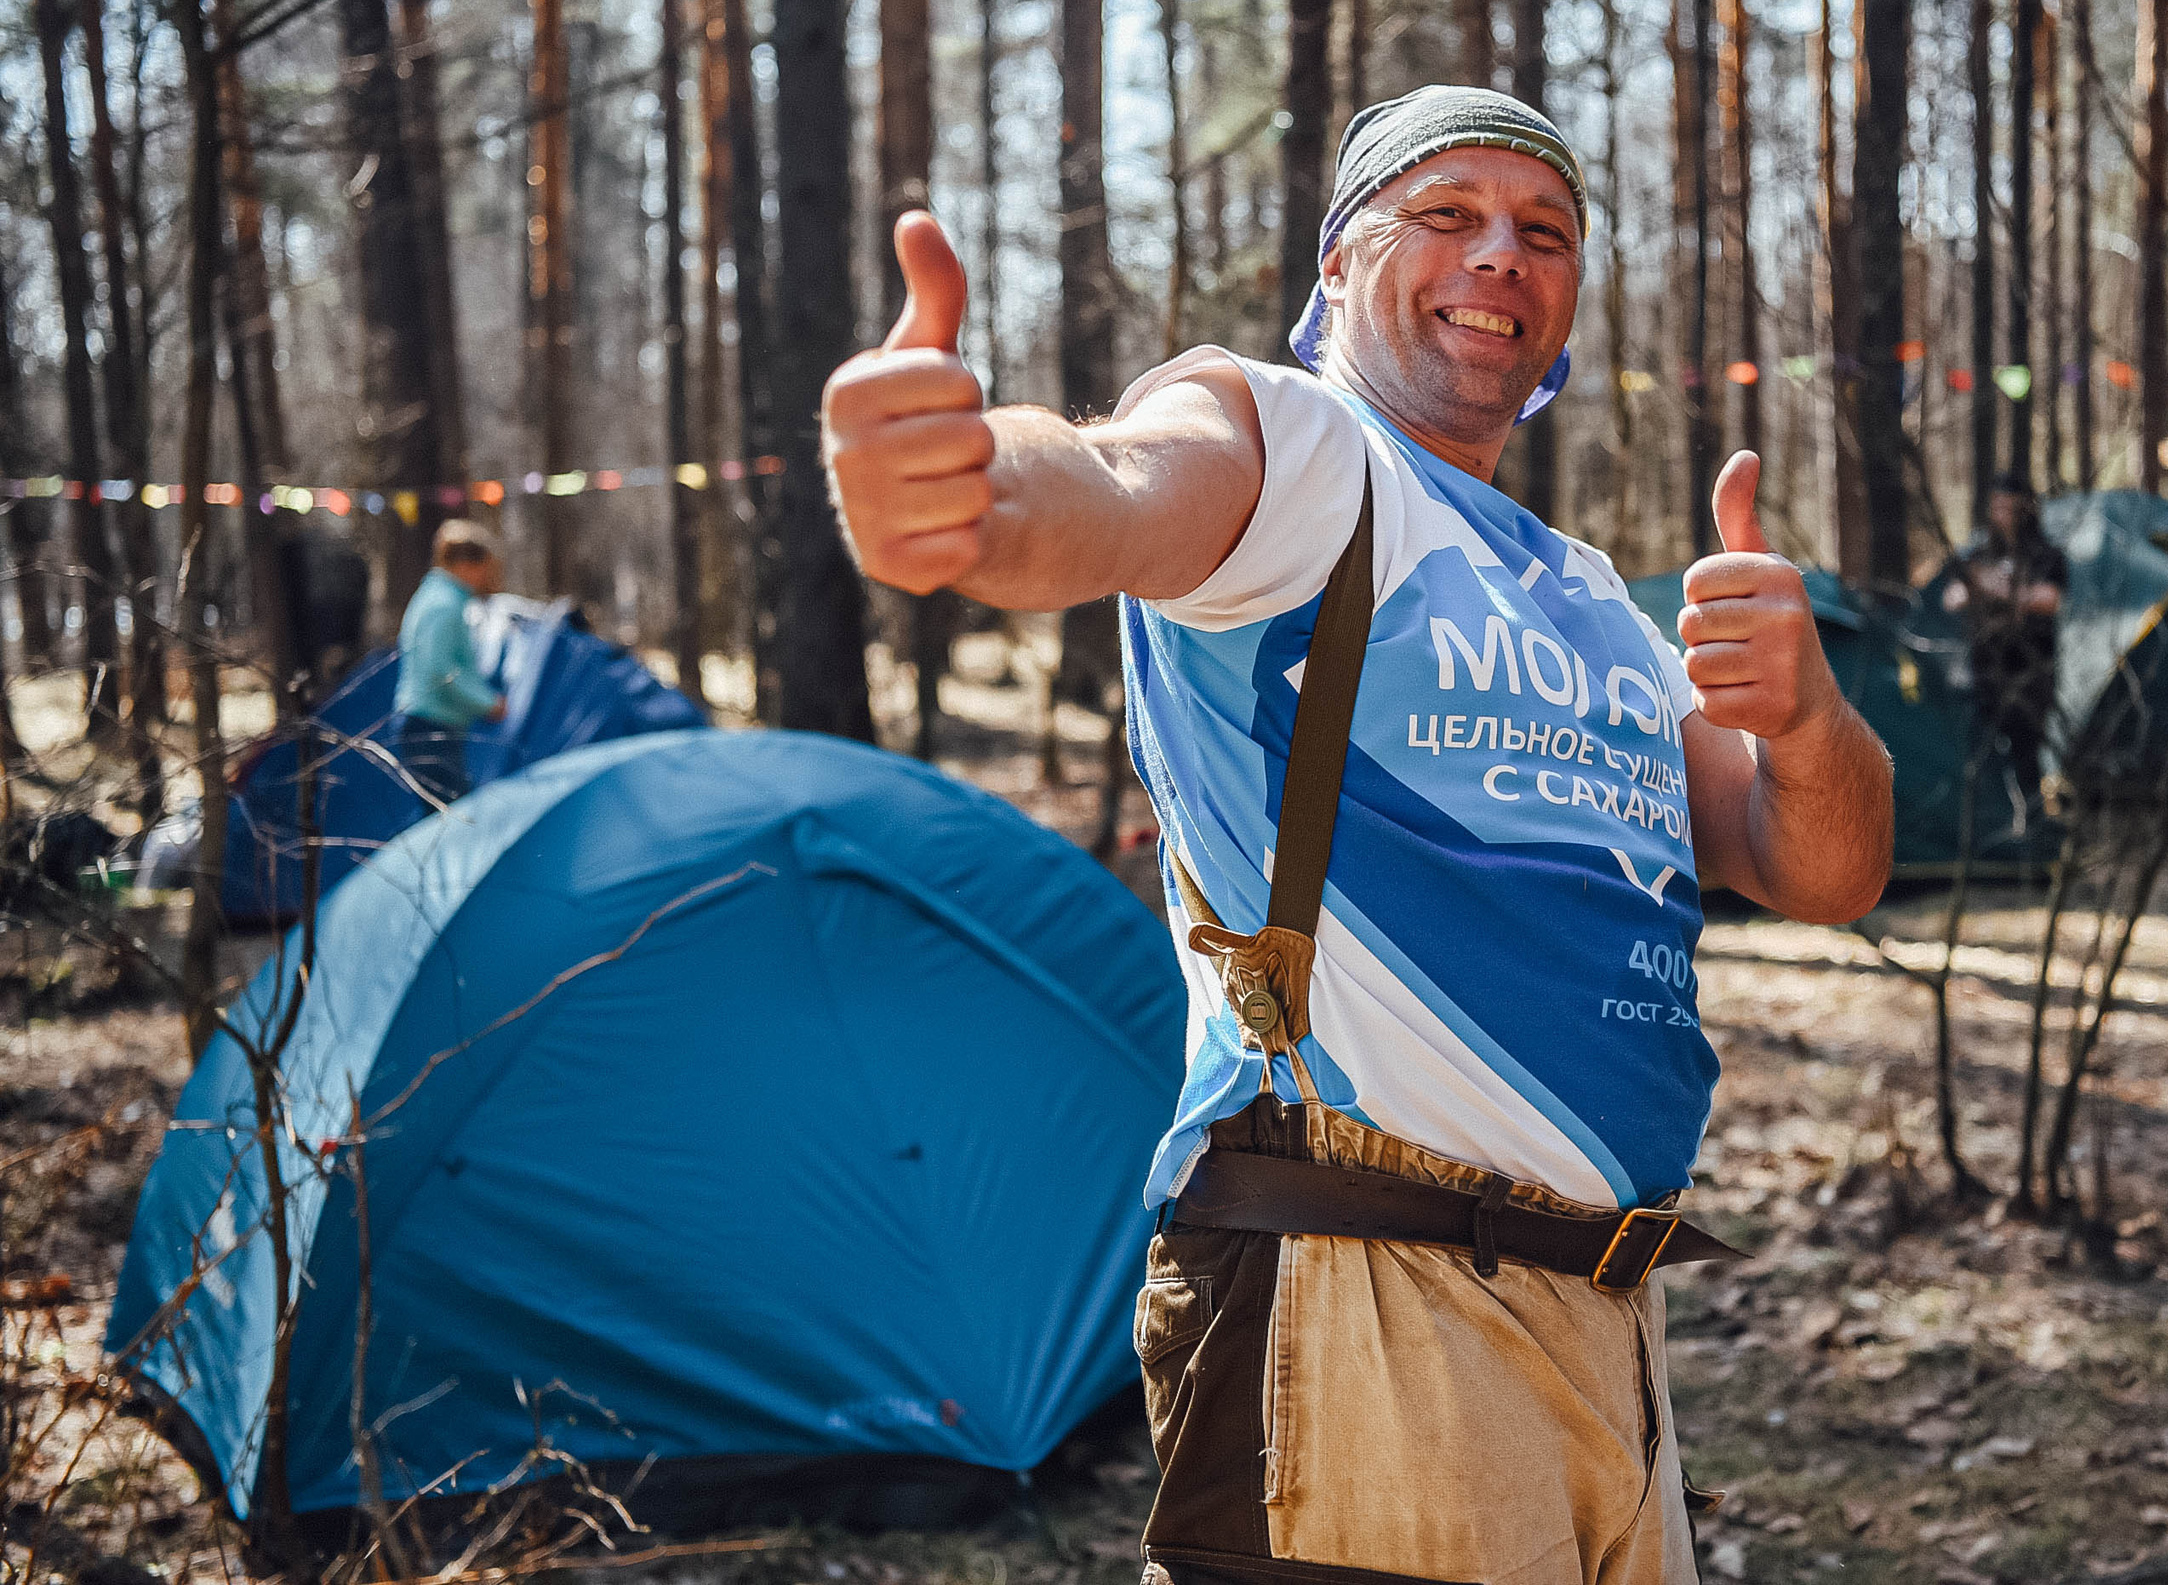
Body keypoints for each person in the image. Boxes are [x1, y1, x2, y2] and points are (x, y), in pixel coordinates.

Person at [825, 85, 1894, 1584]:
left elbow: (1825, 869)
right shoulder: (1300, 451)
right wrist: (974, 491)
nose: (1499, 258)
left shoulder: (1595, 597)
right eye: (1444, 215)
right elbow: (1119, 482)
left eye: (1544, 234)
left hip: (1614, 1328)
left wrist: (1804, 719)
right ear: (1337, 267)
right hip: (1361, 1296)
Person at [1942, 471, 2068, 806]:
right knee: (1984, 752)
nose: (2004, 515)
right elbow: (1951, 597)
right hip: (1986, 668)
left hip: (2031, 668)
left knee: (2027, 750)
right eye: (1998, 507)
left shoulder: (2046, 555)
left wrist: (1998, 589)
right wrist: (1976, 586)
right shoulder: (1980, 553)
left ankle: (2033, 826)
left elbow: (2049, 599)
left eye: (2011, 507)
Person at [392, 522, 507, 805]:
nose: (486, 578)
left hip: (428, 724)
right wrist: (487, 703)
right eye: (484, 569)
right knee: (448, 816)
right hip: (430, 726)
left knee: (439, 813)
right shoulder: (444, 605)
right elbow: (441, 671)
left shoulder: (435, 597)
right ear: (466, 565)